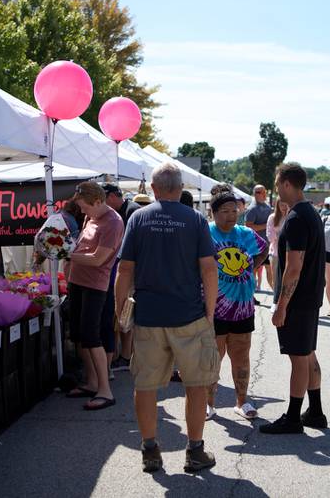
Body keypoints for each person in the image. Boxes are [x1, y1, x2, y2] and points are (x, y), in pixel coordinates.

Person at [115, 162, 220, 473]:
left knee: (146, 386)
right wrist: (210, 312)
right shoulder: (195, 220)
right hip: (189, 315)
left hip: (148, 317)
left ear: (156, 189)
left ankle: (150, 450)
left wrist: (120, 310)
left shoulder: (138, 218)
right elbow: (209, 270)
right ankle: (194, 451)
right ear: (181, 189)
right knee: (196, 384)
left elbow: (125, 270)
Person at [260, 163, 327, 435]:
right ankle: (315, 411)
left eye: (277, 184)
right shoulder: (310, 212)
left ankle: (293, 417)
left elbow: (294, 266)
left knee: (299, 358)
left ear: (287, 184)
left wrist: (281, 306)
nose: (276, 189)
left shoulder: (298, 217)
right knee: (308, 354)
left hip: (298, 300)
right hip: (310, 297)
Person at [206, 190, 267, 420]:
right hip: (214, 308)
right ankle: (209, 403)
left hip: (243, 307)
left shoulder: (245, 233)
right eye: (225, 211)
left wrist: (252, 268)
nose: (231, 216)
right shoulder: (206, 234)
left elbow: (263, 250)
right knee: (213, 358)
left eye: (234, 210)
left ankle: (242, 401)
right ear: (213, 213)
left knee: (241, 356)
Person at [64, 182, 124, 410]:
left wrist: (66, 254)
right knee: (80, 335)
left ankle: (105, 390)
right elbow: (83, 247)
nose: (82, 212)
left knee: (91, 335)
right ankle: (91, 383)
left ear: (98, 202)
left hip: (95, 285)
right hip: (78, 282)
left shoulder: (113, 222)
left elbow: (99, 259)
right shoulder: (92, 217)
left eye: (85, 207)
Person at [102, 184, 141, 374]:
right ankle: (125, 354)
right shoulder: (125, 212)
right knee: (124, 315)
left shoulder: (132, 212)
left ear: (111, 196)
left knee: (125, 313)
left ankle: (126, 356)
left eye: (103, 198)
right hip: (126, 272)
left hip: (131, 273)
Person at [245, 185, 274, 292]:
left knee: (269, 270)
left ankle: (276, 296)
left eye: (263, 192)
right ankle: (250, 295)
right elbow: (248, 226)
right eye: (258, 192)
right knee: (253, 271)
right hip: (255, 246)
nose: (261, 194)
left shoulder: (267, 207)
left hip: (267, 245)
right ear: (254, 194)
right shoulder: (252, 209)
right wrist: (266, 225)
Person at [266, 198, 290, 294]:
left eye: (285, 204)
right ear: (277, 205)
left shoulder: (291, 217)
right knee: (276, 279)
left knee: (288, 278)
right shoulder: (272, 217)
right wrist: (280, 236)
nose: (284, 207)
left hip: (289, 253)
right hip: (275, 253)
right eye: (281, 205)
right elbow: (269, 236)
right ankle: (276, 299)